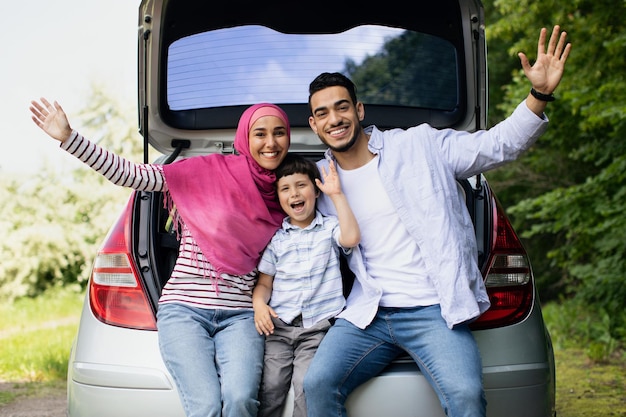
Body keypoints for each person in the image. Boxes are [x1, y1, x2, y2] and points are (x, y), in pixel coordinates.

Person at [302, 25, 572, 417]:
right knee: (318, 384)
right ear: (313, 125)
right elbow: (257, 187)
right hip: (368, 313)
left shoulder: (420, 145)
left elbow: (497, 145)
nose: (335, 118)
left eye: (342, 107)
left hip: (432, 310)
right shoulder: (316, 183)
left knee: (465, 396)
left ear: (358, 111)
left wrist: (539, 95)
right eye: (322, 113)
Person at [29, 98, 291, 417]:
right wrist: (70, 138)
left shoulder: (288, 194)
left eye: (279, 133)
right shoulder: (202, 171)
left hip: (239, 315)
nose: (270, 142)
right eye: (260, 133)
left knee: (240, 401)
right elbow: (131, 175)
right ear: (245, 138)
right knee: (206, 406)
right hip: (184, 312)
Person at [252, 153, 360, 417]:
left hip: (317, 329)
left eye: (301, 185)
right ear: (278, 198)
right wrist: (258, 305)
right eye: (285, 189)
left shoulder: (329, 228)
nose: (294, 194)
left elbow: (351, 237)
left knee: (306, 386)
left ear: (315, 189)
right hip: (279, 328)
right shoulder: (277, 240)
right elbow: (265, 283)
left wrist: (336, 194)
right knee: (271, 385)